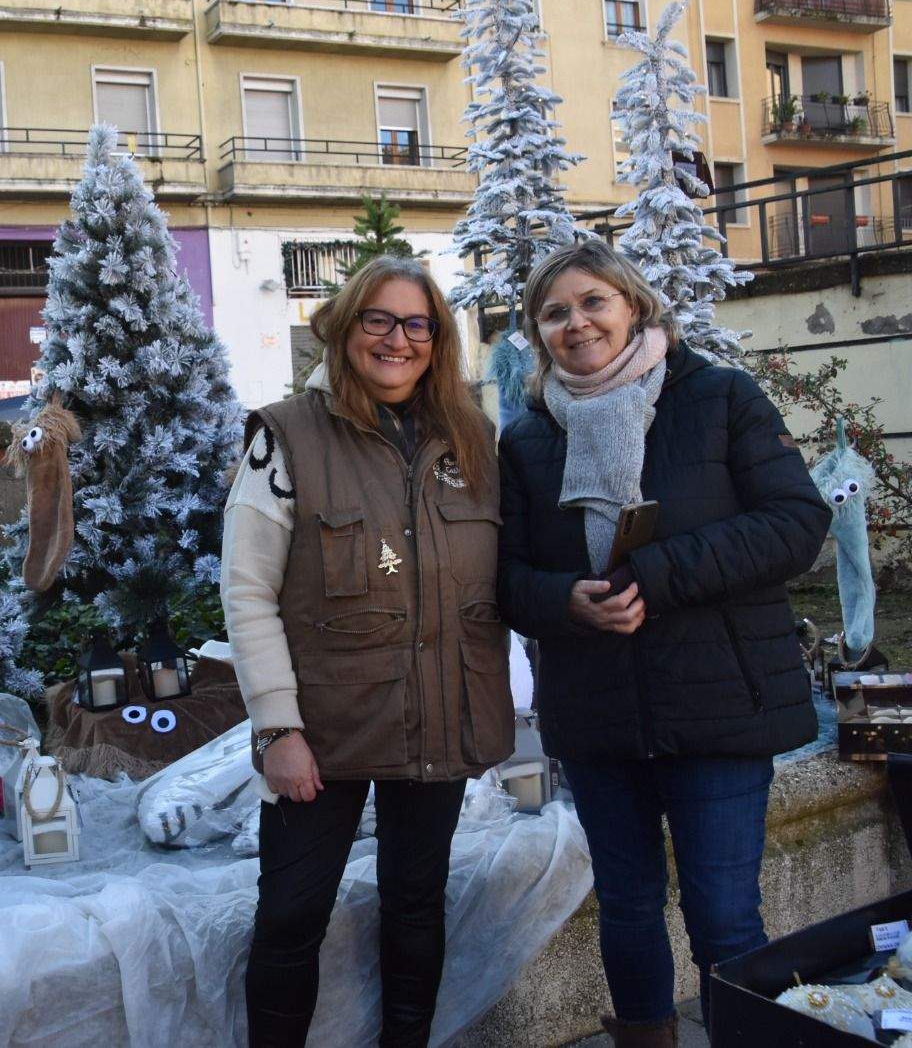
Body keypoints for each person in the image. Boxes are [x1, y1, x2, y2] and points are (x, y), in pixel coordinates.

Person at [497, 239, 829, 1047]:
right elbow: (502, 577)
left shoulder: (719, 397)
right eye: (554, 313)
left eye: (593, 302)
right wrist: (564, 600)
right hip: (597, 713)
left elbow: (796, 523)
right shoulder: (527, 439)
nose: (576, 323)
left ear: (635, 305)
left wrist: (657, 572)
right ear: (537, 334)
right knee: (628, 906)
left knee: (725, 914)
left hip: (719, 704)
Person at [223, 256, 513, 1048]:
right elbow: (246, 591)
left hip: (439, 710)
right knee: (291, 913)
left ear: (438, 338)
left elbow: (509, 574)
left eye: (416, 323)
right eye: (377, 319)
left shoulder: (473, 440)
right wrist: (276, 727)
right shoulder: (286, 437)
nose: (396, 339)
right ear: (346, 327)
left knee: (416, 904)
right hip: (325, 728)